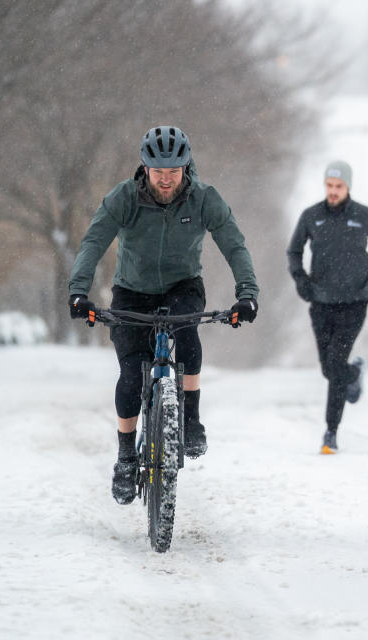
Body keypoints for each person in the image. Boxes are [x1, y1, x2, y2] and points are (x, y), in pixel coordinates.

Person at [68, 125, 259, 504]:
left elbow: (234, 245)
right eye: (159, 173)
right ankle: (125, 456)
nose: (167, 180)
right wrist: (79, 292)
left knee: (187, 332)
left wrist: (247, 295)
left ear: (186, 167)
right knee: (130, 372)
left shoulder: (204, 199)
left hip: (182, 286)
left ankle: (190, 419)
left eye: (174, 172)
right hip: (131, 292)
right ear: (145, 168)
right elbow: (93, 242)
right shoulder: (123, 198)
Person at [287, 160, 368, 454]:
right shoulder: (311, 216)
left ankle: (330, 433)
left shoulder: (364, 215)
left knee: (335, 365)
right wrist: (300, 279)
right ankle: (354, 373)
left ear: (348, 186)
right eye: (329, 186)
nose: (333, 192)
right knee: (328, 368)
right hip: (320, 302)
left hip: (355, 302)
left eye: (339, 187)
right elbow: (294, 251)